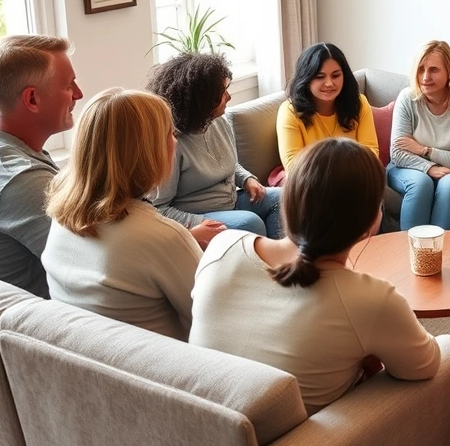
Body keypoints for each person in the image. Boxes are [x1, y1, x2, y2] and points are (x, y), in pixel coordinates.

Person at [189, 138, 441, 414]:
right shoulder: (370, 299)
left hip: (200, 428)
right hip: (308, 436)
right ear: (372, 221)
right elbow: (424, 366)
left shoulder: (222, 246)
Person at [42, 89, 202, 340]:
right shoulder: (163, 237)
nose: (175, 141)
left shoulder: (61, 215)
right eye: (170, 133)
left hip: (89, 363)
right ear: (148, 151)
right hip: (162, 372)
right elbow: (214, 321)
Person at [0, 35, 83, 297]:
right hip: (45, 325)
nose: (79, 94)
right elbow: (94, 263)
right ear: (32, 99)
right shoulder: (18, 179)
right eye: (69, 85)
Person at [147, 52, 281, 239]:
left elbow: (229, 163)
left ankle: (282, 263)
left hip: (231, 202)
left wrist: (247, 179)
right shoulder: (173, 143)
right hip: (199, 215)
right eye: (223, 92)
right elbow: (158, 208)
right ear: (203, 100)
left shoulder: (220, 121)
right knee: (249, 222)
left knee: (283, 199)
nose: (229, 97)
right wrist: (196, 223)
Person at [387, 40, 450, 230]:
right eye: (421, 69)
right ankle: (410, 255)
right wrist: (429, 168)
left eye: (434, 70)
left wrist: (424, 150)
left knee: (449, 185)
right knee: (420, 183)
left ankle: (439, 256)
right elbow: (397, 153)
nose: (425, 77)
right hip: (407, 167)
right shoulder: (407, 98)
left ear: (449, 72)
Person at [277, 42, 378, 171]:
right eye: (320, 77)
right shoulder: (290, 112)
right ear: (306, 79)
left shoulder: (359, 103)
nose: (329, 83)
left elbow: (371, 153)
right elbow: (294, 167)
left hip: (355, 179)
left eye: (336, 75)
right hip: (312, 183)